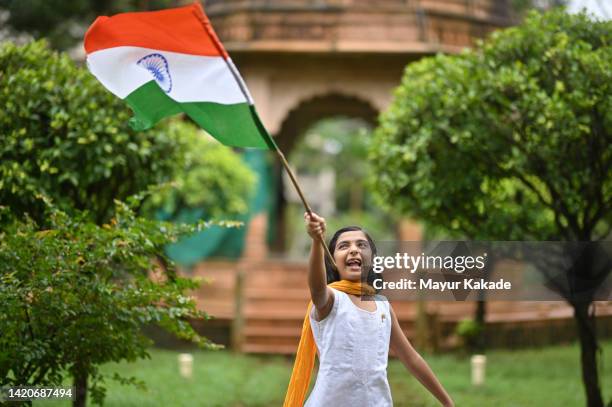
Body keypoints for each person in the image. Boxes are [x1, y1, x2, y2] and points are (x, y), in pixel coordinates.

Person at [283, 212, 454, 407]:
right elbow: (316, 287)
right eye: (343, 246)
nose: (354, 250)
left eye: (361, 245)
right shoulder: (330, 300)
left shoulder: (383, 307)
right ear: (332, 261)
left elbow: (411, 358)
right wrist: (316, 241)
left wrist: (447, 402)